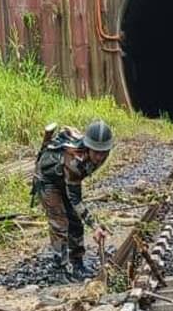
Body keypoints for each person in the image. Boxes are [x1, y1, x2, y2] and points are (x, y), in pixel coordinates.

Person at [31, 120, 113, 280]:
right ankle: (59, 269)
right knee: (60, 223)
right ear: (88, 147)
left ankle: (77, 263)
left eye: (103, 152)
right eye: (96, 152)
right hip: (48, 180)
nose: (99, 157)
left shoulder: (100, 155)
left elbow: (74, 195)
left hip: (66, 178)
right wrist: (95, 226)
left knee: (75, 221)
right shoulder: (75, 160)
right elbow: (75, 199)